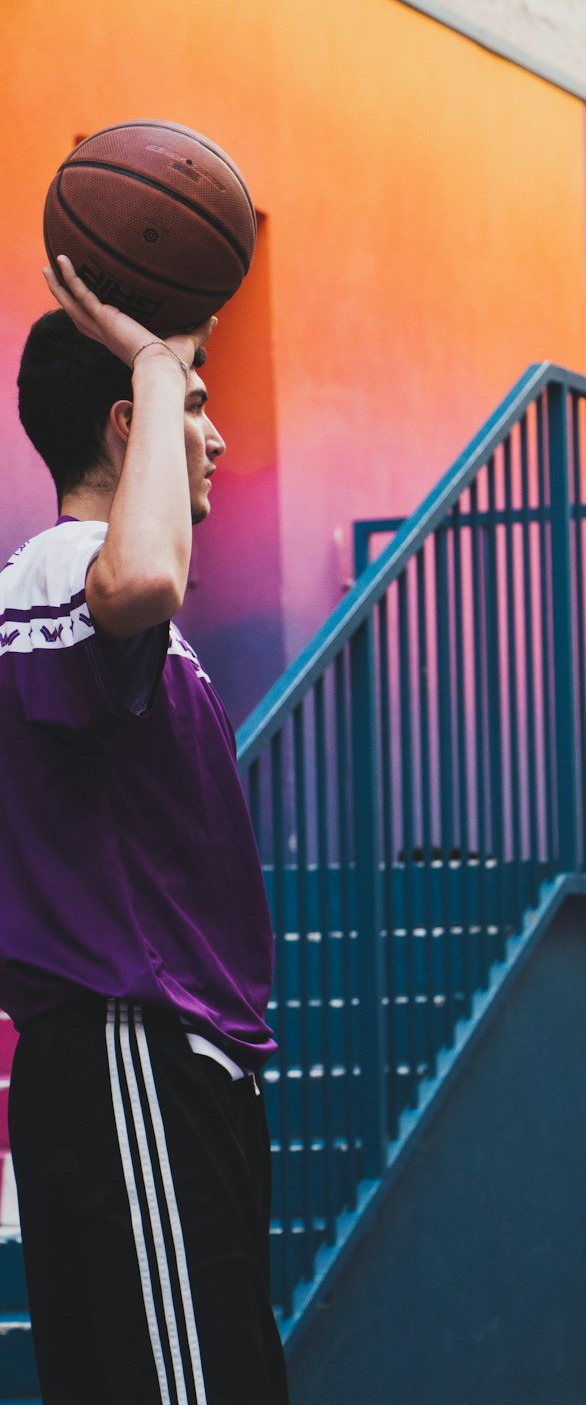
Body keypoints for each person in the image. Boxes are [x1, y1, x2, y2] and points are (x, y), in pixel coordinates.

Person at [2, 256, 289, 1403]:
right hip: (133, 1051)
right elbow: (147, 575)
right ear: (128, 427)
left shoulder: (88, 596)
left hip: (167, 1062)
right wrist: (164, 362)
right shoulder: (72, 565)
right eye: (192, 412)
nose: (212, 440)